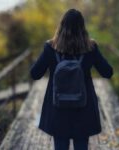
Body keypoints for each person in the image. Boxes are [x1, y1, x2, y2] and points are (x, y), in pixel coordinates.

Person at [30, 8, 113, 150]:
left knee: (60, 145)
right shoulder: (91, 48)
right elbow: (107, 72)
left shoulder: (50, 48)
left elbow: (35, 74)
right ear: (82, 27)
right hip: (83, 108)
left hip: (58, 109)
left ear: (61, 26)